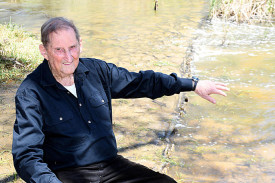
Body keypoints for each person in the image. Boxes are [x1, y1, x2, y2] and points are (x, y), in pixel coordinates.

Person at [12, 17, 229, 183]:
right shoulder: (31, 92)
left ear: (80, 44)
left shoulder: (97, 71)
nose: (68, 57)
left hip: (111, 167)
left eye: (72, 47)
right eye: (59, 50)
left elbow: (142, 82)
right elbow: (26, 156)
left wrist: (192, 84)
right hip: (66, 173)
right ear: (44, 51)